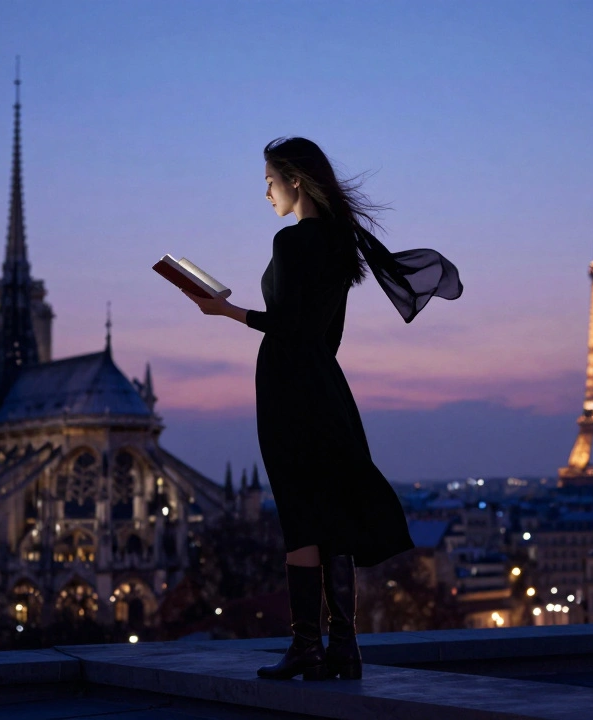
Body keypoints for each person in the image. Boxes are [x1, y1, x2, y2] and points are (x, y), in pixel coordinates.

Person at [181, 137, 462, 681]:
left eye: (269, 180)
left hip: (289, 390)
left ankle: (306, 646)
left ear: (295, 181)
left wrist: (227, 311)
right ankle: (343, 648)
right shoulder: (340, 245)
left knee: (300, 519)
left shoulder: (290, 244)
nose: (265, 192)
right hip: (328, 390)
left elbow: (291, 328)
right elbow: (323, 334)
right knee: (330, 515)